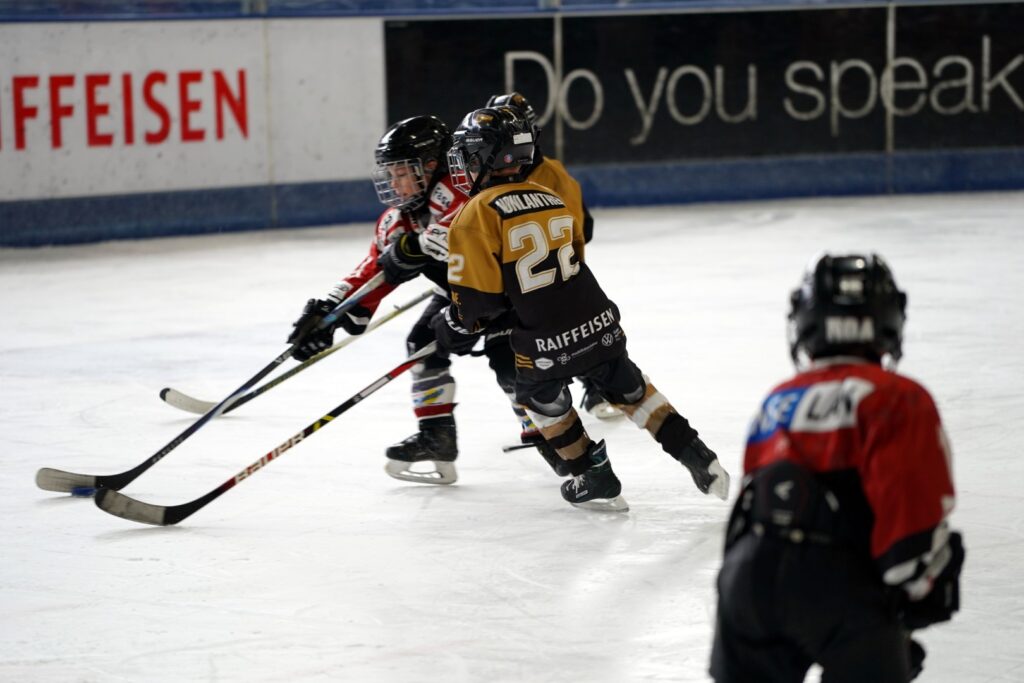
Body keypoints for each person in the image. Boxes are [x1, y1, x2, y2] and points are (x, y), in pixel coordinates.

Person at [431, 106, 730, 511]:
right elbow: (572, 261)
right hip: (597, 320)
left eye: (468, 155)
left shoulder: (474, 215)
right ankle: (699, 456)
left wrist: (449, 324)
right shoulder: (550, 197)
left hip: (544, 339)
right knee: (632, 389)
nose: (464, 165)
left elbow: (478, 305)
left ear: (485, 156)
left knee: (539, 398)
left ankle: (593, 474)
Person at [709, 253, 965, 682]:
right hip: (839, 589)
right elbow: (911, 536)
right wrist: (898, 622)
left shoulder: (777, 400)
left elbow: (749, 510)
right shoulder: (898, 397)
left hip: (745, 583)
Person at [286, 115, 467, 485]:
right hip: (457, 294)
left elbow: (448, 239)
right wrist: (330, 311)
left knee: (517, 366)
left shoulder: (461, 193)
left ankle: (563, 422)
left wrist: (416, 247)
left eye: (402, 173)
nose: (393, 183)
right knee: (421, 343)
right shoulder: (400, 218)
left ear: (431, 166)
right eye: (390, 174)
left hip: (505, 295)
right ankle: (437, 438)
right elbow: (373, 269)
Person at [484, 91, 621, 421]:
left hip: (549, 273)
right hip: (520, 274)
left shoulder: (553, 176)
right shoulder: (491, 176)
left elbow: (573, 233)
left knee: (567, 327)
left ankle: (598, 384)